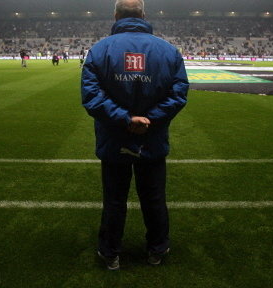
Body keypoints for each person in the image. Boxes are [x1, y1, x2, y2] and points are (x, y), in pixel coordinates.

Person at [81, 0, 188, 271]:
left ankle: (110, 253)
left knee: (114, 200)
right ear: (144, 14)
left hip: (114, 140)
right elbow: (178, 95)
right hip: (151, 139)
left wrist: (125, 119)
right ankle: (157, 249)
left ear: (115, 15)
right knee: (153, 199)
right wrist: (148, 119)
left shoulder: (99, 50)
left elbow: (92, 97)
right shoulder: (168, 51)